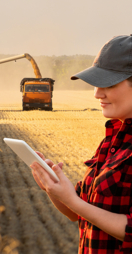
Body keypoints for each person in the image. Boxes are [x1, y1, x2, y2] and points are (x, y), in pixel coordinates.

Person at [30, 34, 132, 254]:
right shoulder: (114, 137)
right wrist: (54, 188)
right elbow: (78, 213)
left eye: (109, 83)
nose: (97, 93)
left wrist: (73, 202)